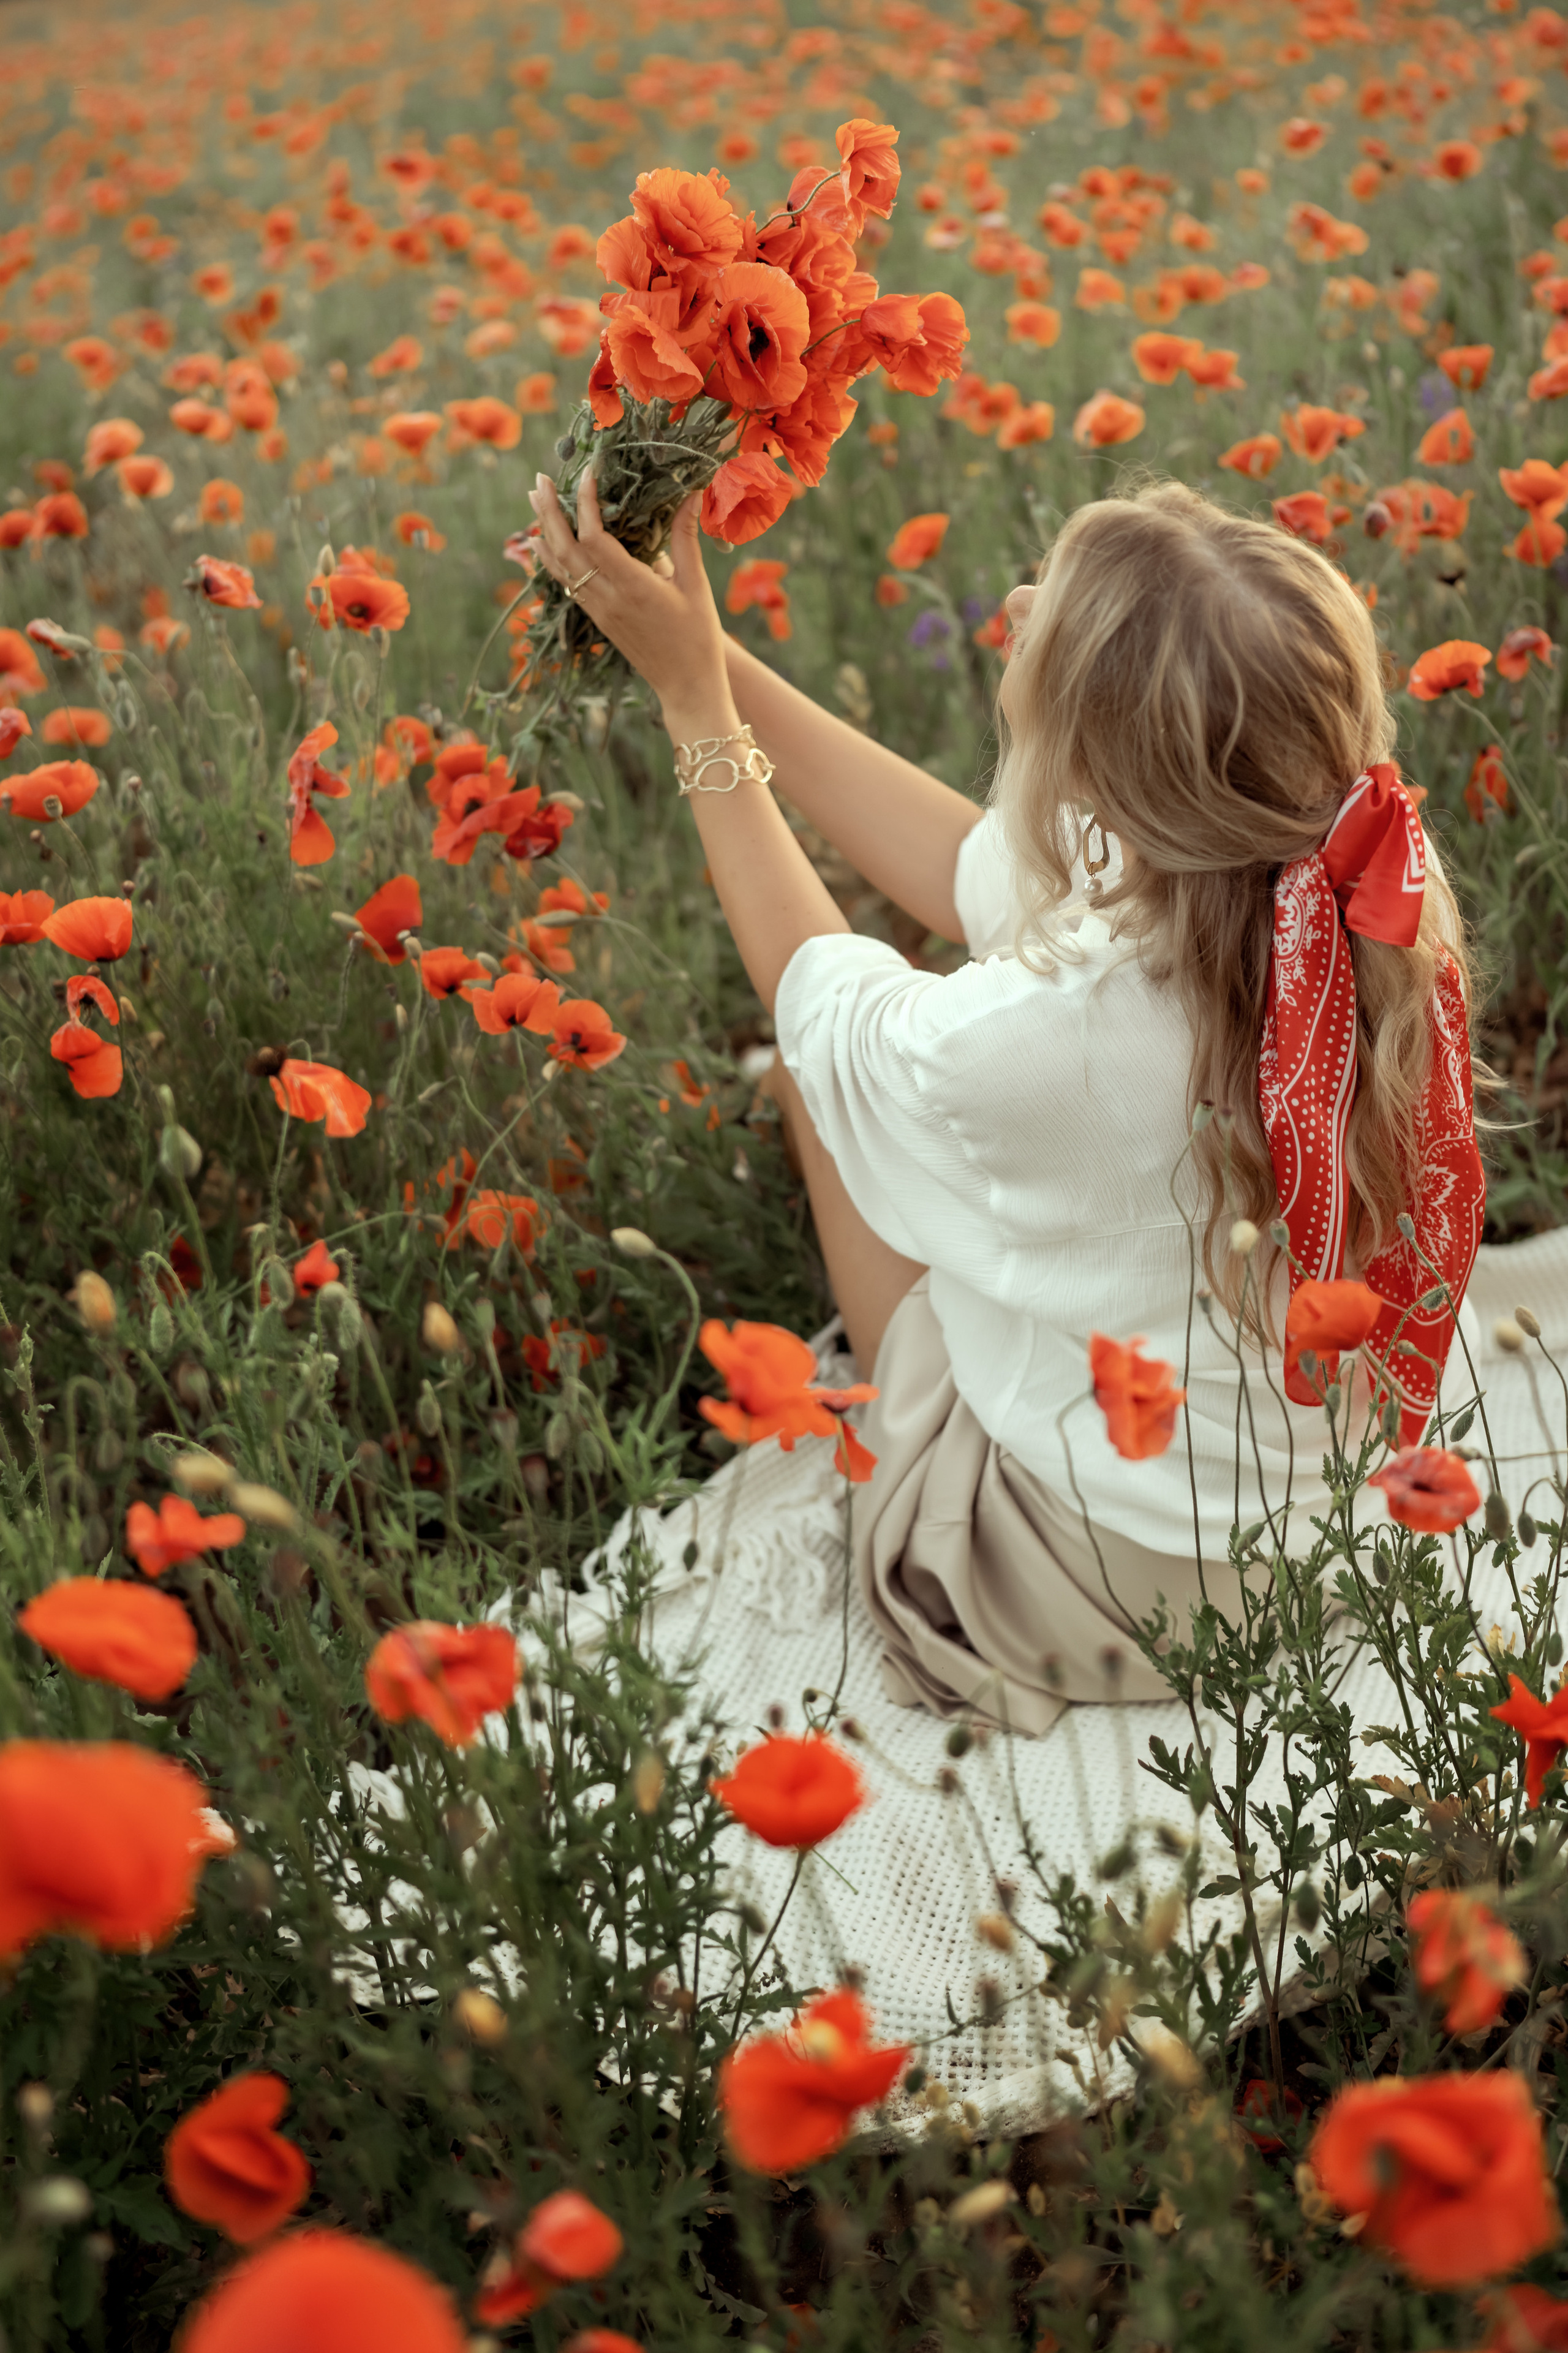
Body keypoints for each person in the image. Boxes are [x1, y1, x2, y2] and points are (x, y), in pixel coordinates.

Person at [525, 469, 1485, 1736]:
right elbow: (962, 872)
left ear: (1097, 765)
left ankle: (926, 1433)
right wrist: (706, 656)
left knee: (822, 1083)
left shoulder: (1055, 1036)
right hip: (1327, 1531)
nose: (1019, 607)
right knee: (950, 1100)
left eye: (1050, 613)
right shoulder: (1344, 883)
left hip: (1110, 1577)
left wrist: (694, 708)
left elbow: (821, 1007)